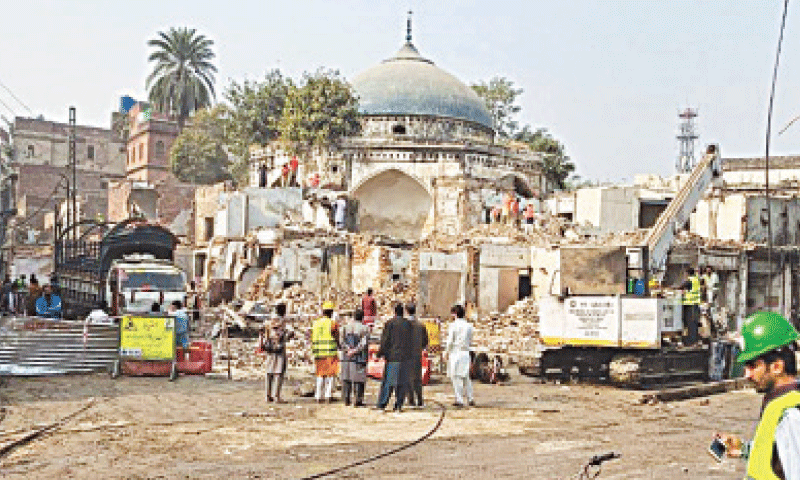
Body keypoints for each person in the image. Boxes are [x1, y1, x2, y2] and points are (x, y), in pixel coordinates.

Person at [717, 312, 800, 479]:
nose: (747, 374)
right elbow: (779, 458)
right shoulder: (778, 404)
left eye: (753, 365)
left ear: (777, 367)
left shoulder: (791, 415)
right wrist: (744, 449)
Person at [376, 302, 413, 412]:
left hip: (392, 357)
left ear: (395, 312)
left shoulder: (390, 324)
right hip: (405, 358)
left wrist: (380, 354)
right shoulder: (408, 324)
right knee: (402, 382)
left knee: (388, 382)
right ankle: (398, 405)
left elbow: (385, 341)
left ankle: (382, 404)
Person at [260, 303, 294, 403]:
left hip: (269, 349)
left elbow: (262, 332)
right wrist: (287, 338)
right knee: (279, 373)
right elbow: (289, 333)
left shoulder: (268, 321)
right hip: (279, 350)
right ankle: (277, 396)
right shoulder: (282, 322)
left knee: (269, 372)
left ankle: (268, 395)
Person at [446, 304, 474, 408]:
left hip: (456, 352)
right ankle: (470, 398)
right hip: (466, 352)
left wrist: (446, 352)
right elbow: (471, 340)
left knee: (455, 376)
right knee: (466, 376)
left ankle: (459, 399)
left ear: (455, 314)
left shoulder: (453, 325)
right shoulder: (469, 326)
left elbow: (450, 341)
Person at [339, 308, 369, 407]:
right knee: (359, 379)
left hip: (347, 357)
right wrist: (355, 350)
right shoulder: (365, 328)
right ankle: (358, 400)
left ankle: (346, 399)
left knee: (346, 377)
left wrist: (348, 350)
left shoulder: (345, 327)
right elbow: (364, 343)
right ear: (362, 317)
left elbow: (341, 341)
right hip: (359, 357)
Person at [311, 301, 339, 403]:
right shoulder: (332, 323)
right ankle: (328, 395)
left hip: (318, 352)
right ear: (331, 312)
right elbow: (336, 336)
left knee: (320, 374)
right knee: (330, 375)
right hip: (330, 352)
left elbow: (312, 336)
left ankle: (318, 396)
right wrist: (339, 345)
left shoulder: (316, 323)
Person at [406, 303, 428, 408]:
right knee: (417, 378)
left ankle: (411, 401)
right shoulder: (421, 326)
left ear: (406, 311)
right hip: (417, 354)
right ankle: (420, 400)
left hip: (406, 354)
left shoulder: (404, 325)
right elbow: (425, 342)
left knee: (408, 378)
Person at [680, 267, 701, 346]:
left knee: (690, 323)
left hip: (690, 304)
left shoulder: (690, 280)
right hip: (694, 304)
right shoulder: (696, 279)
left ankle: (691, 341)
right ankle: (693, 340)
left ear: (688, 273)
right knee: (693, 323)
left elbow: (682, 286)